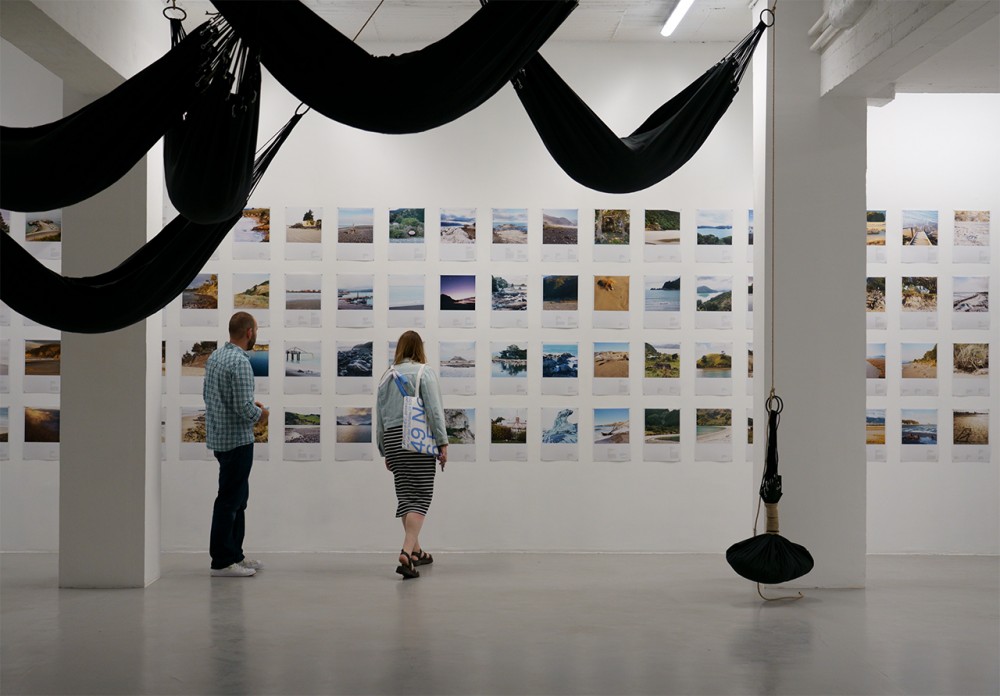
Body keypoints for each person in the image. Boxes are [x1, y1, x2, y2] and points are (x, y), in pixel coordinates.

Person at [376, 330, 448, 579]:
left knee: (406, 494)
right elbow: (434, 410)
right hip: (416, 438)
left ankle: (417, 551)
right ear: (419, 348)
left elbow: (380, 416)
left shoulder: (386, 376)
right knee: (421, 495)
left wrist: (384, 448)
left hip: (393, 439)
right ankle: (406, 553)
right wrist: (442, 442)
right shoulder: (424, 372)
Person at [203, 311, 269, 577]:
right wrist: (261, 414)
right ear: (249, 332)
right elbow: (243, 408)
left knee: (237, 499)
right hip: (238, 441)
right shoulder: (240, 362)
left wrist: (249, 406)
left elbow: (212, 397)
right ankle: (222, 562)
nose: (256, 335)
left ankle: (235, 556)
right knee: (231, 501)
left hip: (221, 438)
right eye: (257, 331)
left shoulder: (216, 357)